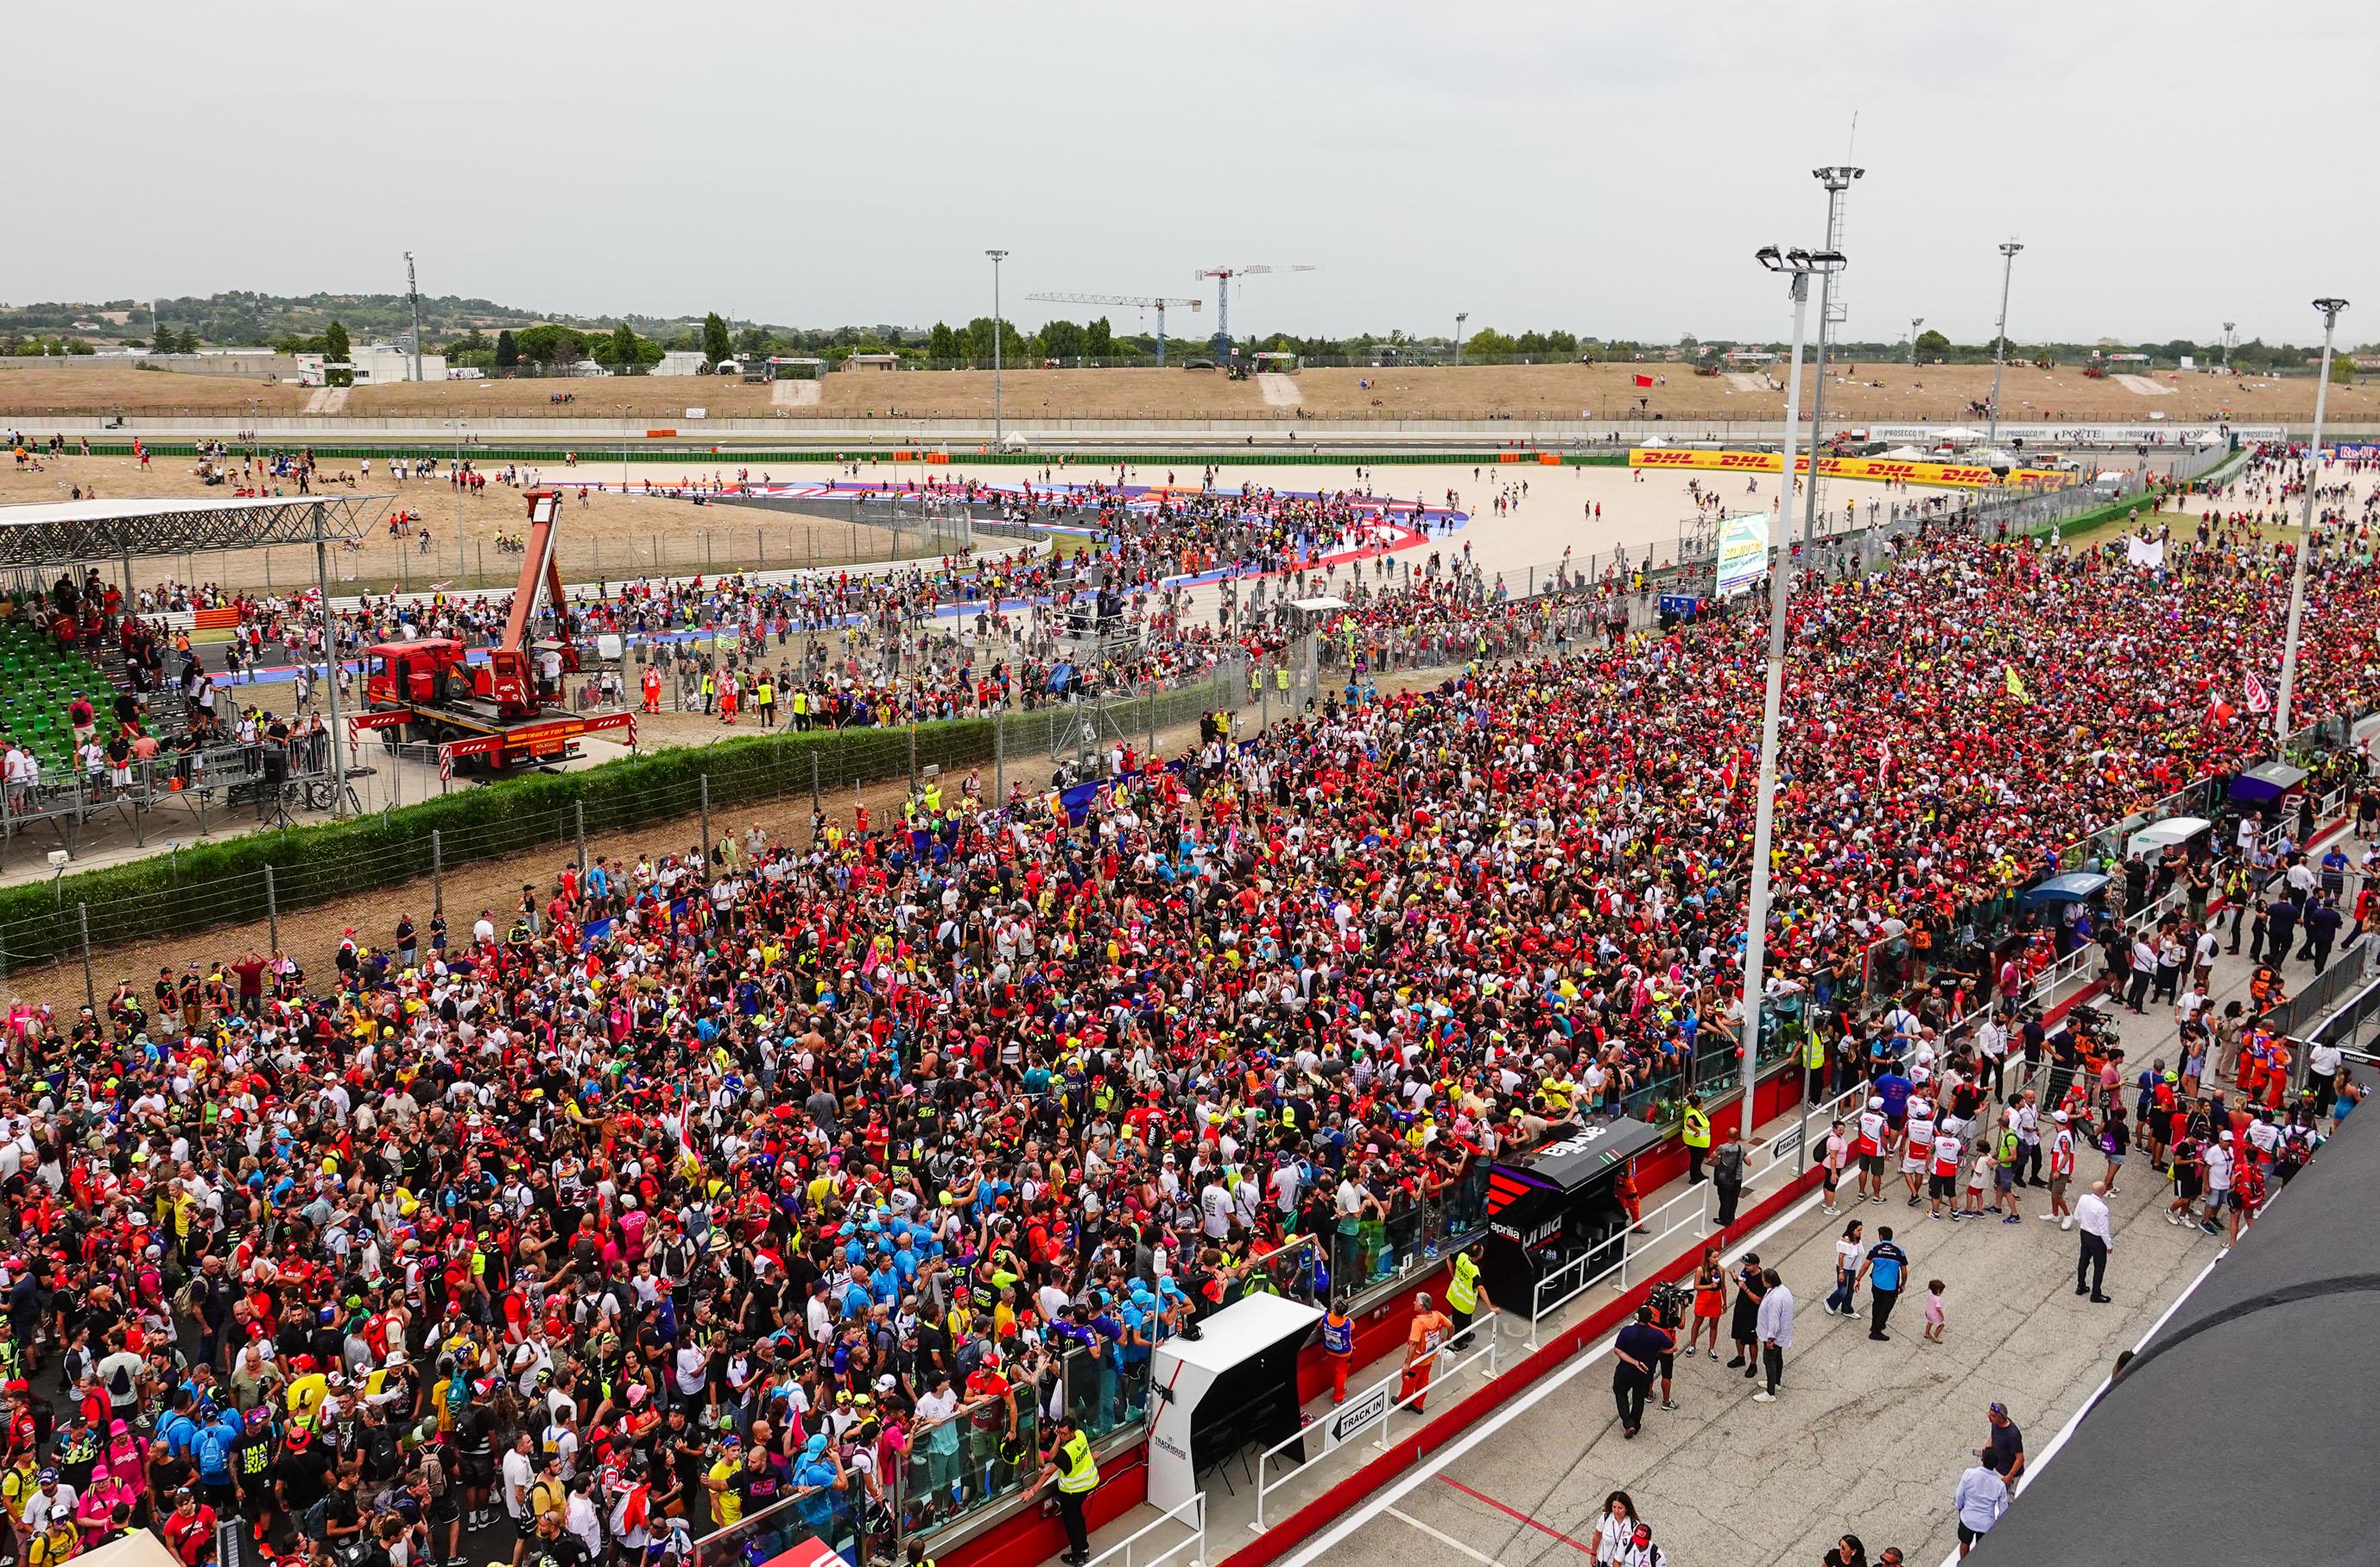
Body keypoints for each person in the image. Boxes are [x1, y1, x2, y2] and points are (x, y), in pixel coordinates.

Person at [1036, 1415, 1098, 1566]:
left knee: (1072, 1524)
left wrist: (1033, 1491)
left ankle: (1077, 1556)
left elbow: (1048, 1469)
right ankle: (1084, 1549)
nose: (1061, 1436)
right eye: (1060, 1433)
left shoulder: (1066, 1452)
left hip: (1071, 1492)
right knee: (1079, 1518)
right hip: (1087, 1486)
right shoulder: (1081, 1435)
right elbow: (1084, 1452)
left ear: (1072, 1433)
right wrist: (1060, 1437)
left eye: (1064, 1434)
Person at [1611, 1307, 1669, 1439]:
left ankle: (1628, 1422)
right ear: (1651, 1319)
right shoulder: (1657, 1334)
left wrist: (1634, 1362)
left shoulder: (1626, 1331)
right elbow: (1671, 1347)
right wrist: (1657, 1351)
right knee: (1639, 1398)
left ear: (1637, 1317)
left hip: (1625, 1370)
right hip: (1645, 1372)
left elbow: (1617, 1350)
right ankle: (1636, 1424)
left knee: (1620, 1392)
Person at [1952, 1450, 2010, 1556]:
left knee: (1965, 1543)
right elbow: (2003, 1510)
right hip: (1986, 1524)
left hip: (1968, 1518)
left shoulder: (1969, 1474)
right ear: (1996, 1465)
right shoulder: (1999, 1485)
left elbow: (1959, 1495)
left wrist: (1960, 1509)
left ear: (1982, 1460)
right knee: (1982, 1552)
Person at [1401, 1292, 1451, 1412]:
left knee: (1408, 1381)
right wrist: (1448, 1337)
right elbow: (1451, 1326)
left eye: (1415, 1301)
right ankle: (1418, 1404)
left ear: (1421, 1305)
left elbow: (1413, 1344)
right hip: (1429, 1358)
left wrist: (1407, 1363)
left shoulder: (1418, 1323)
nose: (1414, 1303)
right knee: (1423, 1381)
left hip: (1417, 1361)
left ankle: (1404, 1403)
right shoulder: (1438, 1316)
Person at [1859, 1227, 1908, 1341]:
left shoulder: (1875, 1249)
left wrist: (1858, 1278)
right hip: (1891, 1287)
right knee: (1886, 1308)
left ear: (1881, 1237)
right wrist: (1903, 1284)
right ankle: (1876, 1331)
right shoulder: (1899, 1252)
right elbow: (1904, 1271)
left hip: (1876, 1284)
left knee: (1877, 1304)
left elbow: (1866, 1265)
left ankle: (1874, 1325)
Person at [1752, 1268, 1793, 1401]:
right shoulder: (1782, 1290)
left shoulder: (1775, 1299)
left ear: (1769, 1282)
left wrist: (1770, 1338)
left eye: (1764, 1280)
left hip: (1773, 1336)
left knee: (1769, 1361)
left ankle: (1770, 1393)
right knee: (1777, 1358)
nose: (1762, 1281)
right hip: (1780, 1335)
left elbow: (1774, 1320)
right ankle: (1776, 1382)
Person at [1445, 1243, 1491, 1350]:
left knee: (1463, 1320)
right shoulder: (1474, 1270)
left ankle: (1466, 1335)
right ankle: (1458, 1344)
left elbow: (1448, 1258)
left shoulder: (1461, 1256)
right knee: (1459, 1323)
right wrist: (1490, 1306)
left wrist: (1453, 1276)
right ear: (1479, 1256)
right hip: (1466, 1302)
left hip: (1455, 1296)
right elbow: (1481, 1289)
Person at [2073, 1181, 2113, 1302]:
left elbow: (2077, 1216)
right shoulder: (2102, 1209)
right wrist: (2109, 1245)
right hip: (2097, 1238)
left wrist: (2085, 1224)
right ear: (2103, 1192)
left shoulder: (2083, 1198)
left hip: (2084, 1233)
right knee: (2099, 1265)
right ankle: (2096, 1294)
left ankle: (2081, 1286)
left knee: (2083, 1260)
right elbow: (2103, 1230)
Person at [1823, 1220, 1864, 1320]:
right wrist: (1841, 1272)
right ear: (1852, 1230)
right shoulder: (1845, 1242)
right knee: (1843, 1291)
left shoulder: (1857, 1239)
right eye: (1858, 1230)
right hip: (1844, 1269)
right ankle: (1830, 1302)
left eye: (1861, 1230)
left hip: (1852, 1268)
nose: (1860, 1232)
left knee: (1850, 1290)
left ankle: (1847, 1309)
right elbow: (1841, 1256)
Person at [1592, 1493, 1643, 1565]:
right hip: (1603, 1561)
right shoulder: (1605, 1517)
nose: (1616, 1511)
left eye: (1620, 1508)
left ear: (1626, 1508)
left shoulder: (1634, 1525)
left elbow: (1640, 1548)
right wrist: (1593, 1554)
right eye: (1614, 1507)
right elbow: (1597, 1535)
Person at [1320, 1300, 1357, 1405]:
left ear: (1334, 1309)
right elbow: (1353, 1327)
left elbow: (1319, 1325)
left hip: (1329, 1350)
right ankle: (1338, 1398)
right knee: (1340, 1374)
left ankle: (1340, 1387)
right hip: (1344, 1353)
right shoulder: (1348, 1322)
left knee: (1337, 1372)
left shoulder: (1325, 1318)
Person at [1712, 1133, 1746, 1228]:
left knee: (1724, 1199)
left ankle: (1723, 1219)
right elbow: (1749, 1162)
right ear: (1736, 1137)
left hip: (1725, 1179)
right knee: (1734, 1199)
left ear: (1728, 1135)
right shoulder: (1741, 1149)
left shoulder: (1722, 1148)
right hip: (1737, 1179)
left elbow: (1712, 1156)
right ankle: (1731, 1218)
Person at [1922, 1280, 1947, 1344]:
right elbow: (1938, 1308)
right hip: (1934, 1315)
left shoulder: (1930, 1294)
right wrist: (1942, 1315)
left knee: (1930, 1322)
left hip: (1928, 1312)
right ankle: (1935, 1336)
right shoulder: (1937, 1299)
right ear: (1938, 1291)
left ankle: (1927, 1333)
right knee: (1942, 1325)